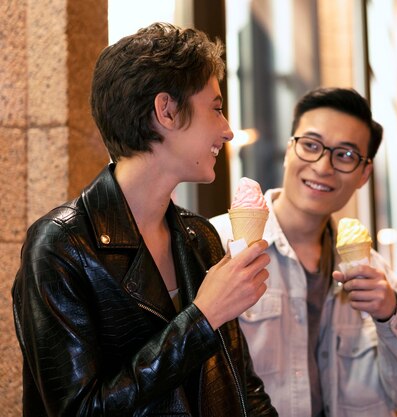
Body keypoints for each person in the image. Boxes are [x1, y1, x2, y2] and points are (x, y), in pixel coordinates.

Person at [12, 23, 277, 416]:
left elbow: (243, 389)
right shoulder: (61, 245)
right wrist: (202, 318)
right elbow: (79, 410)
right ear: (166, 111)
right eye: (216, 108)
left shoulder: (199, 236)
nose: (227, 130)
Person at [211, 87, 397, 416]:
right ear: (289, 150)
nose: (322, 166)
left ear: (364, 174)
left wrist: (391, 312)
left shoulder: (373, 273)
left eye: (345, 155)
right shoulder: (218, 244)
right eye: (310, 145)